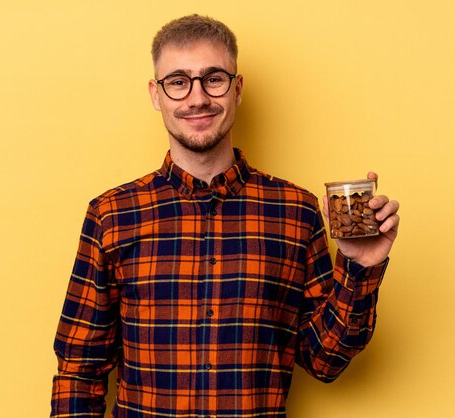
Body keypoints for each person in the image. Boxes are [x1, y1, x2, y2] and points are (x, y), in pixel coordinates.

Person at [51, 14, 400, 418]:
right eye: (178, 82)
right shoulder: (112, 214)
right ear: (156, 94)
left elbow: (325, 361)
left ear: (237, 89)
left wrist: (360, 269)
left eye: (213, 78)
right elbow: (79, 371)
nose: (196, 98)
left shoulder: (296, 211)